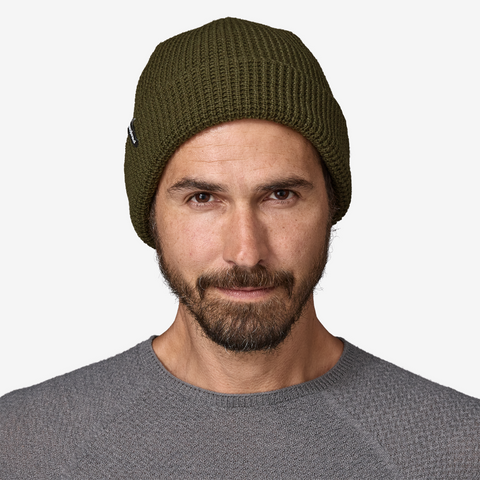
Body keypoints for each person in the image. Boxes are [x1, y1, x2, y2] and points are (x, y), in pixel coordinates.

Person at [1, 17, 478, 479]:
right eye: (202, 198)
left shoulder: (457, 448)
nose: (246, 252)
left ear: (332, 204)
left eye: (280, 195)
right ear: (150, 214)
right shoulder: (24, 444)